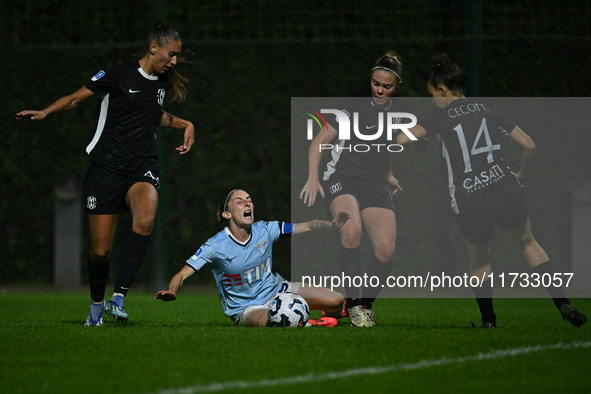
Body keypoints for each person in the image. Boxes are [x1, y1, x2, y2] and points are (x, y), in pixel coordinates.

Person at [16, 22, 196, 327]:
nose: (174, 61)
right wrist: (46, 111)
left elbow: (152, 116)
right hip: (106, 168)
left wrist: (186, 125)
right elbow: (74, 99)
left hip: (142, 164)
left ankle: (119, 297)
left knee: (146, 217)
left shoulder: (161, 84)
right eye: (172, 53)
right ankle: (97, 304)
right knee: (100, 252)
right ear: (154, 47)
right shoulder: (116, 74)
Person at [396, 53, 586, 328]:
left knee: (480, 260)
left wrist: (417, 141)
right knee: (528, 243)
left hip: (470, 197)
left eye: (432, 96)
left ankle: (489, 321)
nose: (433, 102)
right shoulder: (488, 109)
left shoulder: (440, 116)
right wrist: (524, 174)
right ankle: (563, 303)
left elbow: (402, 138)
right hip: (504, 187)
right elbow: (529, 145)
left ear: (442, 90)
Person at [299, 51, 408, 327]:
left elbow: (385, 146)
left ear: (397, 86)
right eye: (375, 83)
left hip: (374, 182)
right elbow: (318, 143)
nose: (380, 90)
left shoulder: (397, 110)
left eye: (387, 86)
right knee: (351, 230)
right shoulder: (354, 103)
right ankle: (353, 303)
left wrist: (390, 175)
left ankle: (366, 305)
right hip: (342, 176)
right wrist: (313, 177)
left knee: (386, 251)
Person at [155, 189, 347, 327]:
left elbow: (308, 226)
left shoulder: (265, 229)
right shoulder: (215, 245)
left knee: (337, 300)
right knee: (277, 321)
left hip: (279, 289)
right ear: (226, 213)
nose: (247, 203)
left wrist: (331, 224)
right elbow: (181, 274)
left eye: (249, 199)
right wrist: (172, 291)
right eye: (239, 201)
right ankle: (311, 323)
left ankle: (319, 316)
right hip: (247, 307)